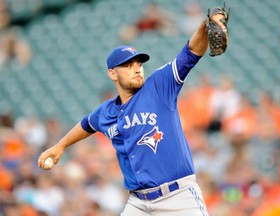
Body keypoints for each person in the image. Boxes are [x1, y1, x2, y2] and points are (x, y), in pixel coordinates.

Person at [38, 6, 227, 215]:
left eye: (138, 63)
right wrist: (61, 145)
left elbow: (191, 53)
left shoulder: (158, 86)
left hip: (177, 197)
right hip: (138, 203)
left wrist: (204, 25)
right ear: (112, 73)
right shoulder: (107, 111)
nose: (136, 68)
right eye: (127, 65)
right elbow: (87, 124)